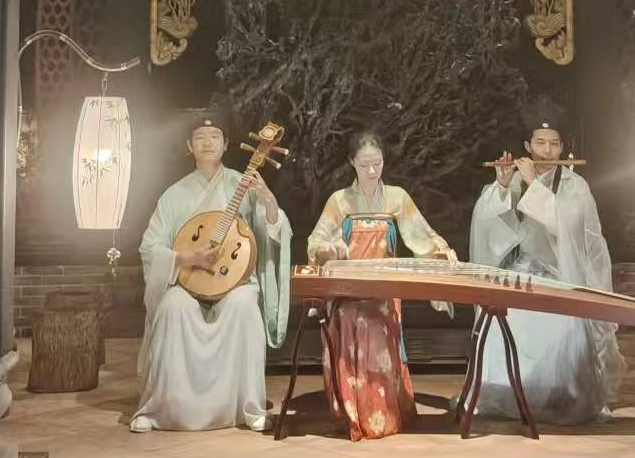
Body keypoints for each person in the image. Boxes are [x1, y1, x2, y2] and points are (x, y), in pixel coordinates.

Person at [132, 113, 291, 433]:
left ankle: (249, 406)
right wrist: (187, 258)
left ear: (226, 144)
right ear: (189, 146)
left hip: (235, 281)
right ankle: (161, 407)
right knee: (172, 307)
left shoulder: (243, 184)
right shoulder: (173, 195)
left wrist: (267, 198)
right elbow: (149, 248)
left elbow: (274, 230)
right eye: (200, 138)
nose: (207, 143)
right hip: (188, 280)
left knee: (244, 305)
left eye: (215, 136)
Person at [468, 108, 623, 425]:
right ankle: (508, 394)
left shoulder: (575, 185)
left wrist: (532, 184)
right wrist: (502, 188)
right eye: (540, 143)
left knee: (565, 328)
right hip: (522, 272)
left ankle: (561, 397)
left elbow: (569, 227)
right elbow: (487, 224)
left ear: (562, 147)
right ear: (528, 146)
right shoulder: (513, 179)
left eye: (554, 144)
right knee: (502, 320)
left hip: (562, 275)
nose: (547, 151)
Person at [307, 131, 456, 441]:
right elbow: (315, 242)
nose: (372, 171)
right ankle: (352, 414)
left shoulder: (397, 197)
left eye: (377, 163)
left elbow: (422, 236)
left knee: (375, 324)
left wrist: (441, 251)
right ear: (352, 162)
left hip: (384, 289)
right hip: (347, 291)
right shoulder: (339, 201)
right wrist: (328, 248)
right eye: (365, 165)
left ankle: (381, 414)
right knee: (351, 319)